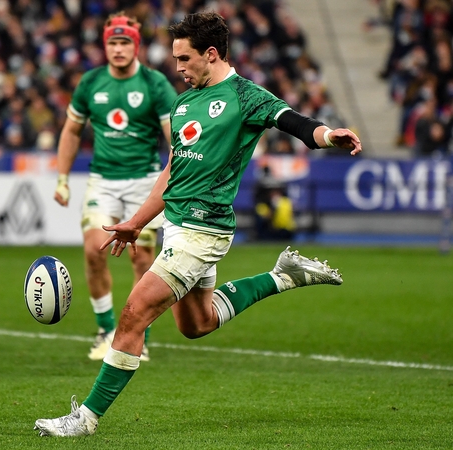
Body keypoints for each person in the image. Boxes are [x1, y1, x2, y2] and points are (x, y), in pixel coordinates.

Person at [34, 12, 362, 437]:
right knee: (196, 324)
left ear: (211, 54)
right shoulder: (185, 101)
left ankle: (86, 418)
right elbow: (171, 172)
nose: (178, 68)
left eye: (184, 59)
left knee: (134, 313)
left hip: (204, 229)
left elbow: (296, 123)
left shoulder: (246, 96)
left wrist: (328, 135)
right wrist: (136, 222)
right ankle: (281, 277)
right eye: (174, 58)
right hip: (176, 224)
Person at [53, 12, 178, 362]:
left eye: (125, 43)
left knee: (144, 262)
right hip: (103, 181)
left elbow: (175, 139)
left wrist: (176, 174)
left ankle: (140, 337)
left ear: (135, 47)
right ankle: (106, 330)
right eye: (112, 42)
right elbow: (71, 131)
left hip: (144, 182)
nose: (118, 49)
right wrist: (62, 178)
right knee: (94, 250)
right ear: (104, 46)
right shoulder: (91, 82)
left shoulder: (156, 85)